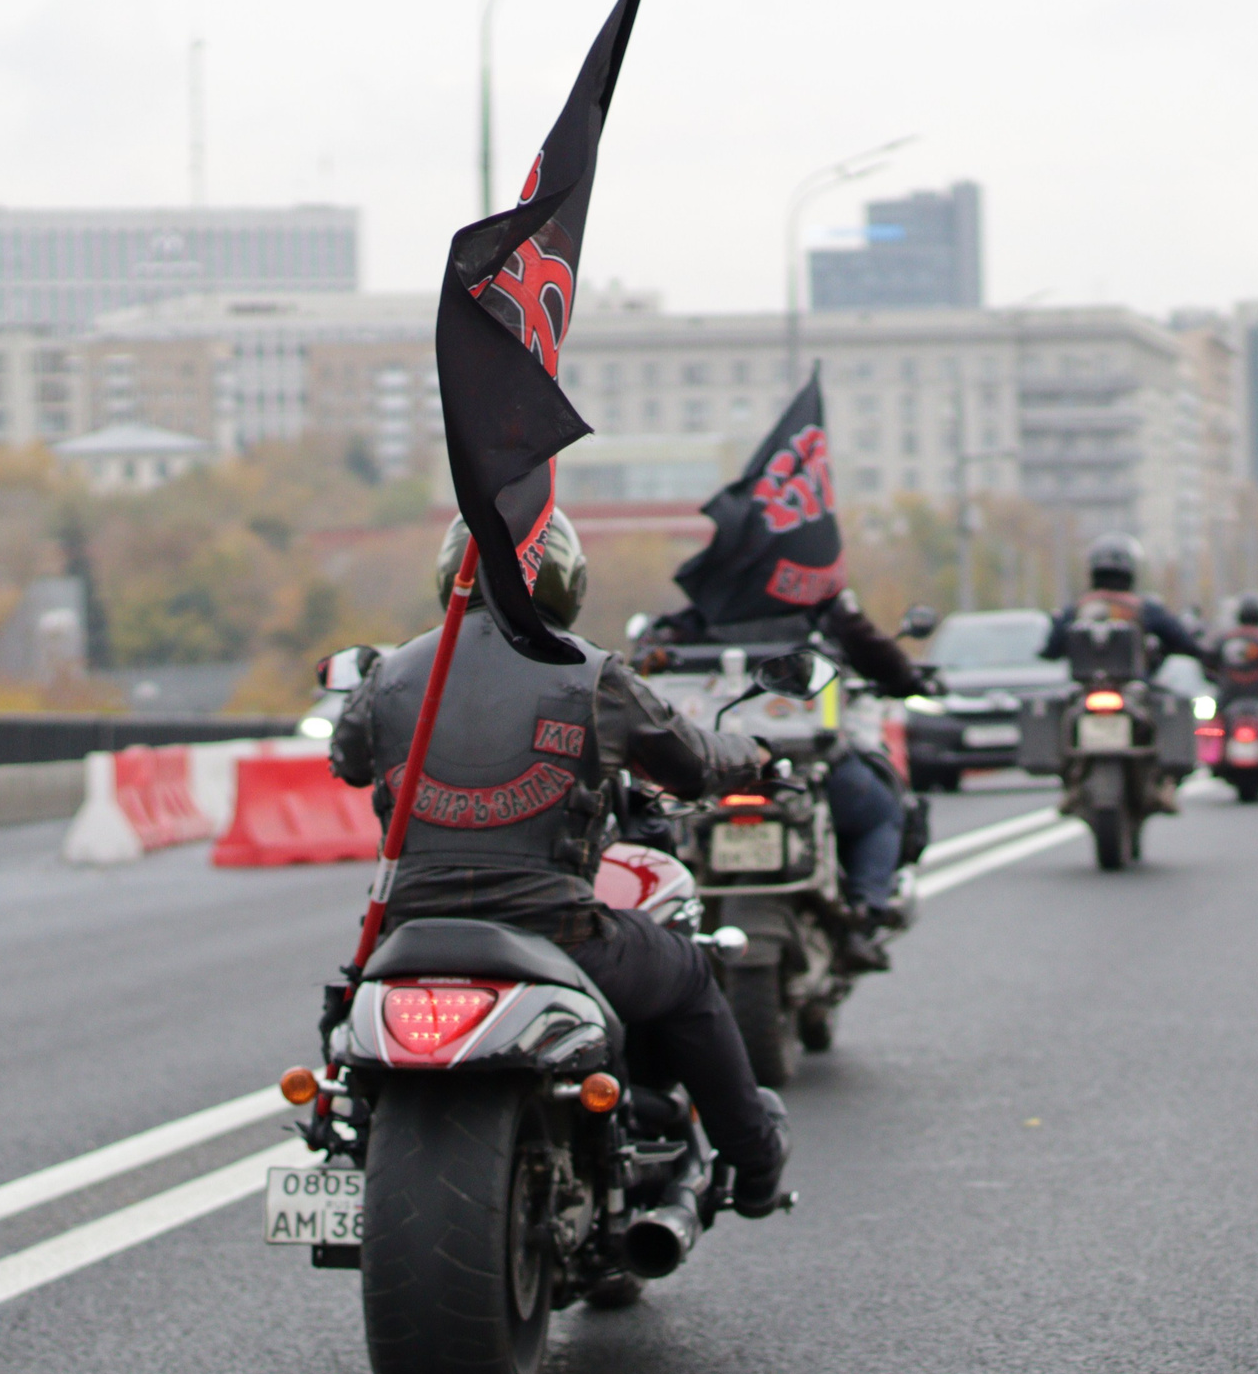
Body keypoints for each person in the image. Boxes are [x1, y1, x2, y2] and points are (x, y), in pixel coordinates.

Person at [329, 511, 792, 1214]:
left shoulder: (392, 672)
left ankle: (348, 1145)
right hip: (556, 934)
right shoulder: (588, 673)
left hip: (409, 937)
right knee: (691, 970)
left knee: (342, 1008)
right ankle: (754, 1161)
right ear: (565, 577)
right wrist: (757, 759)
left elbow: (348, 758)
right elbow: (694, 761)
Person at [636, 587, 927, 954]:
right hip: (806, 762)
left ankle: (658, 929)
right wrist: (908, 679)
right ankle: (864, 911)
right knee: (879, 811)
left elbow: (652, 652)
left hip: (716, 765)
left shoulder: (709, 602)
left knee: (649, 818)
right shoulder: (822, 600)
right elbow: (873, 650)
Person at [1041, 534, 1199, 672]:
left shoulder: (1076, 610)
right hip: (1136, 691)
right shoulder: (1146, 609)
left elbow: (1051, 650)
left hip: (1085, 692)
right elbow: (1183, 643)